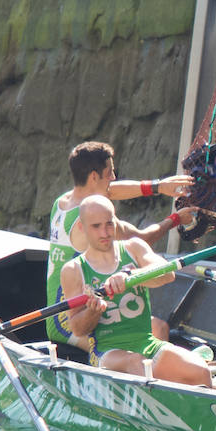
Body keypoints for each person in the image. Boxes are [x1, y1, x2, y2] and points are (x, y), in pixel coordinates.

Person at [47, 141, 193, 350]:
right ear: (94, 177)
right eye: (110, 173)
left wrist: (159, 186)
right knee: (159, 329)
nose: (114, 178)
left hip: (57, 313)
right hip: (69, 323)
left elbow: (110, 191)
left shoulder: (63, 202)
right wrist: (175, 219)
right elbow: (143, 239)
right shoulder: (93, 223)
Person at [58, 196, 211, 386]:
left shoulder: (134, 248)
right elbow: (77, 329)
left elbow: (167, 274)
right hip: (106, 352)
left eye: (109, 224)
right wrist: (93, 311)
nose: (105, 232)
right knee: (135, 362)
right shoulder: (73, 270)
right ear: (82, 227)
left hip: (147, 343)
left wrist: (130, 276)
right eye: (96, 226)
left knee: (201, 372)